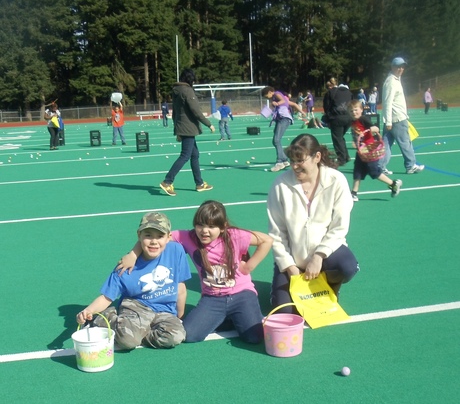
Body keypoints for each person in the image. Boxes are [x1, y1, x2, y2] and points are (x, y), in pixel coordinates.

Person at [118, 200, 273, 344]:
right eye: (200, 225)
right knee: (190, 335)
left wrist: (248, 267)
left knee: (254, 337)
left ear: (223, 227)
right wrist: (133, 254)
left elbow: (267, 240)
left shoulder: (234, 235)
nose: (204, 231)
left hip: (242, 294)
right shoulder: (188, 237)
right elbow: (158, 237)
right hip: (213, 298)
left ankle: (237, 315)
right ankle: (229, 317)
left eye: (211, 227)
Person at [267, 133, 359, 313]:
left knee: (347, 267)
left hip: (325, 256)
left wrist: (318, 256)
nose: (294, 166)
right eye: (292, 161)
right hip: (293, 260)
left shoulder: (336, 180)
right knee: (286, 313)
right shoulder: (280, 185)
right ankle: (277, 291)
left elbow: (339, 227)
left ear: (317, 157)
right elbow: (276, 233)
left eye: (300, 161)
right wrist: (290, 267)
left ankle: (328, 286)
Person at [76, 212, 191, 350]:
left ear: (168, 237)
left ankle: (137, 333)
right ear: (139, 235)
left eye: (160, 236)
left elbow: (180, 287)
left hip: (165, 310)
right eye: (148, 235)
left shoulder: (176, 251)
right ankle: (105, 319)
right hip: (137, 307)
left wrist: (180, 315)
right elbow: (107, 297)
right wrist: (89, 310)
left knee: (175, 337)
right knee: (127, 342)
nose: (154, 241)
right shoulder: (125, 266)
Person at [159, 69, 215, 197]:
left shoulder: (177, 91)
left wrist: (177, 128)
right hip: (188, 127)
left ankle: (199, 183)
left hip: (182, 126)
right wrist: (209, 124)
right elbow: (196, 110)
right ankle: (167, 181)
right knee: (185, 155)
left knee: (195, 155)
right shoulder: (187, 91)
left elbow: (176, 112)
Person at [348, 100, 402, 201]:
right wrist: (355, 141)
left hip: (369, 150)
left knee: (373, 172)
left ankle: (393, 184)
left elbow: (375, 128)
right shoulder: (352, 121)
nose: (354, 112)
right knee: (357, 171)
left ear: (361, 110)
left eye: (356, 110)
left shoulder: (363, 119)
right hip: (361, 151)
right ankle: (354, 193)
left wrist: (372, 129)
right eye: (351, 111)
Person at [380, 57, 425, 174]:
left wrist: (388, 121)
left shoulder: (395, 80)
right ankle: (410, 166)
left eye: (402, 67)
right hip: (397, 119)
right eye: (398, 67)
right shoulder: (391, 82)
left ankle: (380, 167)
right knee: (405, 142)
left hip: (393, 119)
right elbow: (387, 102)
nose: (400, 69)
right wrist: (388, 121)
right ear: (392, 67)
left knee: (386, 145)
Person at [261, 86, 304, 172]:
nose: (267, 98)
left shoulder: (276, 94)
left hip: (284, 119)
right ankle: (284, 160)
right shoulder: (276, 97)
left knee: (276, 140)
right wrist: (302, 112)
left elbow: (283, 101)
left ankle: (279, 162)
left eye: (266, 96)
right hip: (281, 119)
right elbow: (293, 104)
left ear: (270, 92)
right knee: (275, 141)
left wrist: (277, 103)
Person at [323, 79, 353, 165]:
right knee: (340, 137)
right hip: (348, 117)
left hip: (336, 117)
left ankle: (341, 159)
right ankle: (346, 156)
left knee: (337, 138)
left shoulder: (330, 93)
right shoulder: (348, 92)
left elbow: (326, 107)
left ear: (330, 86)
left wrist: (328, 118)